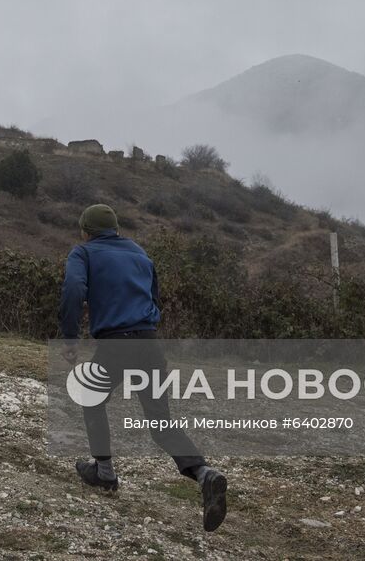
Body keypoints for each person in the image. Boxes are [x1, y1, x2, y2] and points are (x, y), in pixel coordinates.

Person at [58, 203, 228, 532]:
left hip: (116, 343)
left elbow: (74, 290)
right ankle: (204, 474)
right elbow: (155, 296)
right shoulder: (139, 252)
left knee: (90, 400)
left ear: (85, 229)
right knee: (161, 423)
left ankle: (104, 473)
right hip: (149, 343)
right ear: (115, 228)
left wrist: (69, 337)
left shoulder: (84, 252)